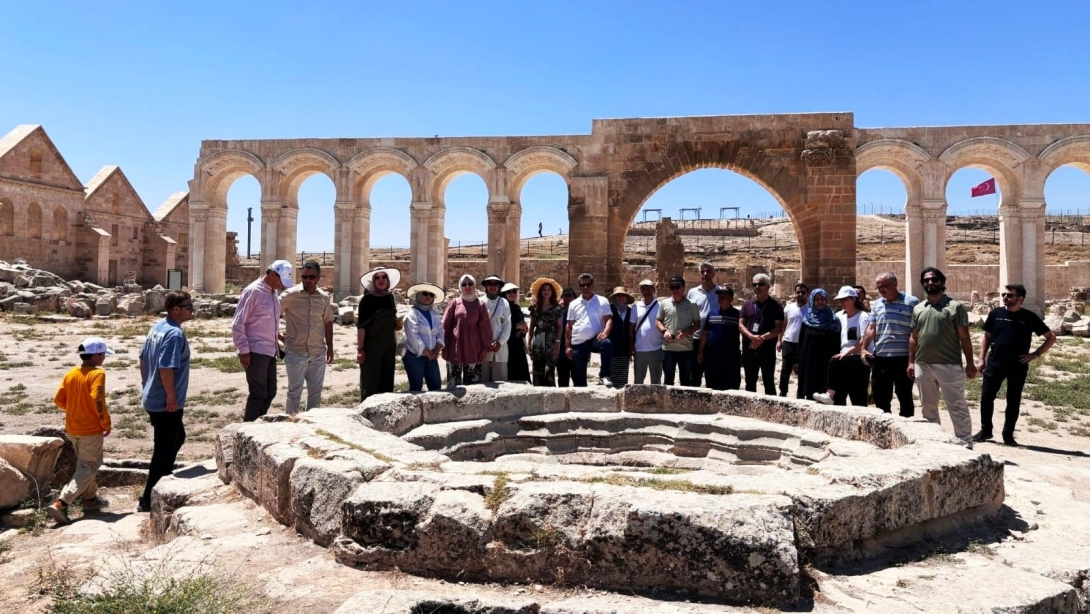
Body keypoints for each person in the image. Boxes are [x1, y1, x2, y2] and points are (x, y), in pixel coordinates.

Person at [974, 283, 1056, 446]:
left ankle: (1008, 434)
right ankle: (985, 430)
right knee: (986, 397)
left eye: (1009, 295)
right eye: (1004, 294)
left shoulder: (1029, 317)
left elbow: (1051, 337)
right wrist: (981, 358)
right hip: (995, 363)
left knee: (1013, 400)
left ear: (1020, 299)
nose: (1005, 297)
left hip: (1017, 366)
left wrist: (1035, 354)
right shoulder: (995, 313)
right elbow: (987, 337)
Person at [46, 337, 114, 524]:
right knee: (89, 466)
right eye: (103, 355)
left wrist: (75, 410)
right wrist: (105, 422)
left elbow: (59, 399)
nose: (104, 359)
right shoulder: (97, 374)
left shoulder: (71, 373)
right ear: (97, 355)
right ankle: (61, 503)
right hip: (90, 429)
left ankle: (90, 499)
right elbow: (97, 399)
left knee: (84, 464)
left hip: (72, 427)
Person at [136, 291, 193, 513]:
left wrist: (145, 384)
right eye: (188, 306)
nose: (192, 310)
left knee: (178, 437)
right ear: (175, 309)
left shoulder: (157, 328)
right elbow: (166, 367)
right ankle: (149, 499)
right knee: (163, 449)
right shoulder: (174, 334)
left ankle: (164, 478)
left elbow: (142, 359)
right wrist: (171, 395)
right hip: (166, 401)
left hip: (153, 395)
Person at [909, 267, 977, 448]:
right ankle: (934, 442)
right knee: (928, 407)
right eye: (926, 280)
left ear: (942, 282)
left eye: (934, 279)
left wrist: (970, 363)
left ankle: (965, 442)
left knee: (956, 405)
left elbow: (964, 337)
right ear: (922, 284)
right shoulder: (918, 308)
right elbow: (913, 337)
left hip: (949, 364)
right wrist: (911, 362)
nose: (930, 283)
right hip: (923, 364)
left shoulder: (955, 307)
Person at [232, 260, 292, 421]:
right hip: (255, 350)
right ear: (272, 274)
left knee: (270, 392)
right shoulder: (253, 291)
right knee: (258, 393)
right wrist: (243, 350)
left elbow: (263, 320)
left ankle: (257, 423)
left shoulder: (272, 292)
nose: (281, 285)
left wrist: (278, 336)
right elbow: (238, 323)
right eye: (280, 280)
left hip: (270, 349)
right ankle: (247, 429)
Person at [280, 260, 334, 416]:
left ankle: (312, 424)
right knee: (294, 391)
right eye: (304, 277)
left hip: (317, 352)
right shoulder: (290, 295)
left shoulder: (324, 297)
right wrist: (278, 336)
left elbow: (328, 322)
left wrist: (330, 348)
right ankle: (290, 424)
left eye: (311, 277)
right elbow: (270, 314)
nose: (307, 281)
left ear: (318, 278)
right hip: (295, 352)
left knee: (316, 392)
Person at [861, 272, 919, 416]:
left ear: (895, 284)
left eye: (884, 286)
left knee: (904, 395)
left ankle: (907, 429)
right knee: (881, 397)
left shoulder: (912, 302)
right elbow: (871, 329)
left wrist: (912, 360)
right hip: (881, 357)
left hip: (903, 358)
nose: (881, 290)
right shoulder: (878, 304)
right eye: (878, 287)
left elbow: (915, 332)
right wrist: (863, 349)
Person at [813, 287, 872, 406]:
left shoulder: (863, 316)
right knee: (840, 398)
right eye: (840, 300)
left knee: (858, 397)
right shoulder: (840, 316)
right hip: (844, 359)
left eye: (845, 299)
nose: (841, 302)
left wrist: (847, 352)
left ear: (853, 299)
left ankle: (829, 394)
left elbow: (864, 340)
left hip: (858, 357)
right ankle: (831, 396)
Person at [357, 266, 400, 400]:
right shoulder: (367, 300)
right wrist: (360, 349)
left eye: (384, 277)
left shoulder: (390, 297)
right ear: (373, 281)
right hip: (371, 347)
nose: (381, 280)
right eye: (377, 278)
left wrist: (396, 325)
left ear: (388, 280)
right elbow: (361, 327)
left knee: (387, 381)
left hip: (389, 346)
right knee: (371, 383)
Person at [442, 274, 493, 387]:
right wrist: (444, 346)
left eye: (470, 284)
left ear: (474, 285)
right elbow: (445, 325)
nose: (467, 286)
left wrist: (485, 348)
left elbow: (485, 327)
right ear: (460, 286)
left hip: (473, 347)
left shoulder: (480, 304)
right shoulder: (454, 303)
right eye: (464, 284)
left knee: (473, 385)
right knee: (453, 385)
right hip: (455, 346)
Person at [739, 273, 785, 395]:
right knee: (750, 382)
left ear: (768, 286)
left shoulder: (775, 306)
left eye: (761, 284)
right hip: (749, 348)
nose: (757, 287)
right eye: (754, 284)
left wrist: (762, 338)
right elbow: (741, 324)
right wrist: (751, 337)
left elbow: (778, 327)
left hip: (767, 350)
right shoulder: (747, 304)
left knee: (768, 382)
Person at [565, 273, 613, 387]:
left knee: (606, 343)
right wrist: (567, 346)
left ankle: (604, 375)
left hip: (595, 339)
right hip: (579, 341)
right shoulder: (573, 304)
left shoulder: (602, 301)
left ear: (593, 285)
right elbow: (569, 326)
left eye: (588, 284)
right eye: (582, 285)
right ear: (579, 286)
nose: (585, 287)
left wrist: (605, 333)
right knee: (578, 376)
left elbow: (609, 319)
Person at [796, 289, 841, 401]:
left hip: (826, 360)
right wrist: (797, 361)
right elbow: (801, 342)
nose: (820, 302)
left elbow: (837, 342)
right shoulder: (806, 320)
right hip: (808, 360)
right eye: (817, 300)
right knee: (809, 390)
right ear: (812, 301)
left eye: (822, 299)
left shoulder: (833, 320)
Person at [657, 275, 701, 386]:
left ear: (684, 287)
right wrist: (664, 331)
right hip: (668, 348)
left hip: (686, 349)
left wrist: (687, 332)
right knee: (668, 380)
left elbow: (697, 324)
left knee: (686, 381)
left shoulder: (692, 304)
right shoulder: (664, 303)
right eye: (672, 287)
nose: (675, 290)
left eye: (678, 287)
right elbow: (658, 321)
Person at [402, 282, 446, 392]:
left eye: (431, 295)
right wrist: (427, 352)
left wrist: (436, 351)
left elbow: (441, 331)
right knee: (416, 388)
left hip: (432, 355)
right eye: (425, 294)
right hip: (414, 356)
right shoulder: (412, 314)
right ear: (418, 295)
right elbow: (413, 336)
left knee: (436, 387)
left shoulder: (435, 313)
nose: (428, 297)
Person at [698, 287, 742, 390]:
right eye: (719, 296)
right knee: (712, 386)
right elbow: (705, 334)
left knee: (731, 388)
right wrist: (700, 351)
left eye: (724, 296)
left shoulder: (737, 315)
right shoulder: (712, 314)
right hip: (712, 357)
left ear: (731, 299)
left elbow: (743, 335)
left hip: (731, 358)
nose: (720, 298)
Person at [687, 262, 720, 386]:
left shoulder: (720, 292)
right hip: (696, 337)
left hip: (713, 338)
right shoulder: (692, 292)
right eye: (703, 272)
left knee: (712, 373)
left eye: (708, 271)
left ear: (713, 274)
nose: (705, 274)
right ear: (699, 275)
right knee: (694, 373)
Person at [528, 278, 564, 386]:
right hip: (538, 338)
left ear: (552, 292)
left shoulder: (557, 308)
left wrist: (558, 342)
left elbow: (560, 327)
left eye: (549, 289)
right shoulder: (535, 308)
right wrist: (529, 341)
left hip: (551, 339)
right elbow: (532, 325)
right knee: (537, 369)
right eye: (544, 289)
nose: (546, 291)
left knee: (549, 369)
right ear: (540, 292)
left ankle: (550, 396)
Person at [629, 279, 664, 385]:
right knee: (638, 381)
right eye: (643, 288)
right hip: (640, 349)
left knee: (656, 381)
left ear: (653, 289)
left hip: (657, 348)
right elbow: (631, 327)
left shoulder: (661, 306)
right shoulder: (635, 307)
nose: (646, 291)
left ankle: (656, 401)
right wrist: (631, 346)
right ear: (640, 290)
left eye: (649, 288)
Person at [778, 283, 809, 398]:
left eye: (803, 292)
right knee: (785, 368)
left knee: (802, 370)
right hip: (788, 341)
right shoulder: (788, 308)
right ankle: (783, 392)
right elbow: (783, 325)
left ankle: (800, 394)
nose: (800, 294)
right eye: (798, 292)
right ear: (794, 294)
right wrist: (779, 340)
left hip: (803, 344)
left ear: (807, 294)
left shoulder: (811, 309)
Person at [481, 275, 512, 382]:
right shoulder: (479, 302)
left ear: (499, 287)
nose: (493, 287)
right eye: (490, 284)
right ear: (485, 286)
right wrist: (485, 344)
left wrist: (500, 342)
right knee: (483, 381)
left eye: (496, 284)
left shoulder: (504, 303)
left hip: (500, 347)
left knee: (501, 381)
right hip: (483, 348)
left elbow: (507, 324)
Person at [502, 282, 531, 382]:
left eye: (514, 291)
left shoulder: (517, 308)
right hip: (507, 345)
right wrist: (517, 326)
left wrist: (524, 330)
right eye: (508, 292)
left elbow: (521, 324)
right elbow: (501, 325)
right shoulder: (502, 308)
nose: (512, 294)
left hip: (518, 345)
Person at [607, 287, 635, 387]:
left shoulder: (630, 311)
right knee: (611, 377)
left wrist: (631, 347)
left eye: (623, 295)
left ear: (627, 298)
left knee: (623, 377)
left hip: (625, 349)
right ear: (615, 297)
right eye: (618, 295)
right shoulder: (609, 309)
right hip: (611, 348)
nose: (621, 297)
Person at [556, 287, 578, 386]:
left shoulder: (579, 311)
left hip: (576, 349)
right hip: (561, 351)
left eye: (570, 296)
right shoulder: (558, 311)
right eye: (565, 296)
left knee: (578, 379)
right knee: (563, 380)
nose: (568, 298)